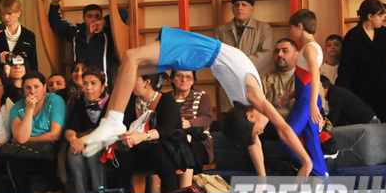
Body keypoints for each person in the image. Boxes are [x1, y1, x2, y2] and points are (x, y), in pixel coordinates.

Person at [82, 26, 313, 178]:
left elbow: (254, 143)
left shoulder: (244, 106)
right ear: (251, 117)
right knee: (130, 61)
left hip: (202, 54)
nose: (262, 131)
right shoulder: (255, 98)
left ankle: (111, 122)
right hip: (203, 49)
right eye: (260, 131)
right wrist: (306, 162)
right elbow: (283, 129)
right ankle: (112, 122)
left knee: (131, 63)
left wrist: (262, 181)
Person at [336, 0, 386, 123]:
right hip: (362, 92)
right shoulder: (352, 37)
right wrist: (344, 95)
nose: (383, 18)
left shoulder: (384, 33)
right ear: (370, 16)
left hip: (385, 90)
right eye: (380, 15)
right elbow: (345, 68)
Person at [113, 72, 188, 193]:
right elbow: (121, 124)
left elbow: (166, 130)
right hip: (138, 150)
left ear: (147, 82)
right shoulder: (130, 101)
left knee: (158, 152)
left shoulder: (166, 100)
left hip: (166, 148)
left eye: (133, 79)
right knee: (121, 155)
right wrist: (124, 135)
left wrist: (142, 136)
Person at [277, 10, 328, 177]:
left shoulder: (310, 49)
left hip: (307, 101)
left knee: (286, 138)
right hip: (304, 98)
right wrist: (290, 95)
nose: (291, 32)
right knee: (313, 142)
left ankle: (310, 167)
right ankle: (323, 178)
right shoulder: (308, 47)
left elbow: (315, 76)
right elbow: (304, 80)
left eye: (292, 28)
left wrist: (313, 104)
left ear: (300, 26)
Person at [7, 71, 66, 193]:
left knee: (48, 153)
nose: (32, 91)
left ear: (44, 88)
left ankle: (52, 191)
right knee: (14, 158)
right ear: (23, 90)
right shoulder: (17, 107)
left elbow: (55, 134)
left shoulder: (55, 100)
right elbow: (21, 138)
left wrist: (28, 139)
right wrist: (29, 108)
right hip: (25, 150)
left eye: (36, 87)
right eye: (28, 88)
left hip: (49, 146)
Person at [214, 0, 273, 113]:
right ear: (232, 8)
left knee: (254, 120)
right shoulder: (221, 30)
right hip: (229, 84)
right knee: (233, 122)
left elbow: (265, 54)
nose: (239, 8)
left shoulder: (263, 29)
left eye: (244, 5)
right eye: (236, 5)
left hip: (254, 82)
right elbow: (216, 57)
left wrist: (239, 67)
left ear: (252, 9)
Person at [48, 0, 118, 86]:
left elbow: (123, 14)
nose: (93, 19)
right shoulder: (75, 33)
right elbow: (55, 22)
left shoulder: (108, 33)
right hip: (80, 85)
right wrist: (54, 4)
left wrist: (104, 21)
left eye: (97, 16)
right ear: (84, 18)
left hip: (103, 85)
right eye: (90, 16)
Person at [65, 68, 109, 193]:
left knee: (92, 151)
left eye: (93, 83)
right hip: (82, 142)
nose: (88, 87)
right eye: (85, 83)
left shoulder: (111, 102)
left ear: (102, 87)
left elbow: (107, 129)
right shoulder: (79, 102)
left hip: (106, 142)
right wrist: (74, 140)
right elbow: (70, 129)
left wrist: (82, 140)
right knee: (73, 153)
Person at [169, 70, 214, 179]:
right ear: (172, 79)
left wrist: (188, 123)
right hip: (171, 138)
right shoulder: (166, 98)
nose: (184, 80)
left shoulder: (202, 96)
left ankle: (186, 188)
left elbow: (207, 119)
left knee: (187, 147)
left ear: (193, 81)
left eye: (188, 77)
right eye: (179, 76)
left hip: (198, 140)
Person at [262, 38, 299, 119]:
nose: (280, 54)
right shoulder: (265, 79)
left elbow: (319, 101)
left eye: (285, 51)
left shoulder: (305, 77)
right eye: (276, 51)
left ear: (297, 54)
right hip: (271, 122)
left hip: (297, 121)